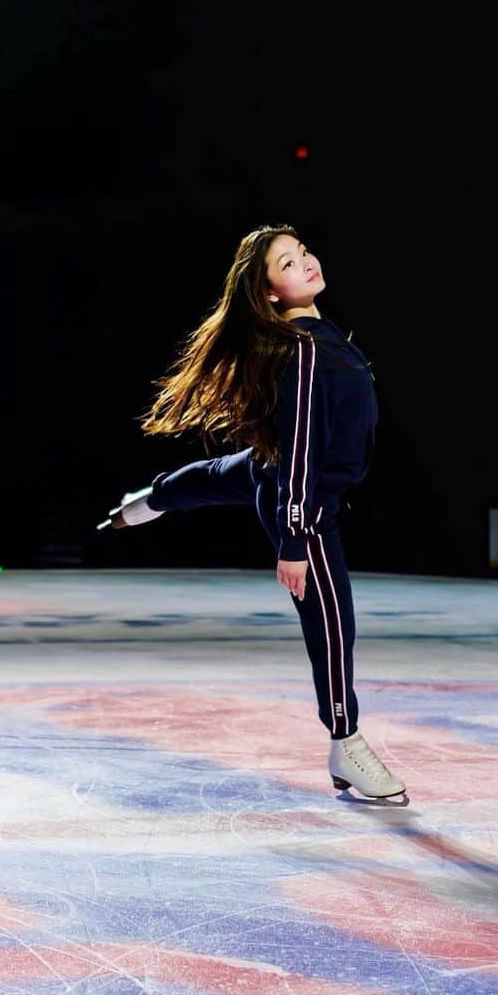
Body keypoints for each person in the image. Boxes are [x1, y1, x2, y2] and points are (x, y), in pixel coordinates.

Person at [97, 223, 405, 799]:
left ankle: (139, 505)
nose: (306, 263)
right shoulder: (308, 350)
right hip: (304, 501)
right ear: (269, 293)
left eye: (304, 252)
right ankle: (346, 744)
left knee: (210, 478)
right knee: (334, 623)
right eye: (288, 264)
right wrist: (294, 539)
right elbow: (302, 443)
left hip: (279, 478)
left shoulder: (317, 335)